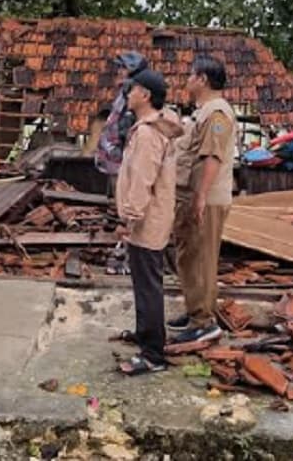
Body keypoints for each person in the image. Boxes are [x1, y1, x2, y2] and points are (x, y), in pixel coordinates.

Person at [113, 69, 183, 375]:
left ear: (145, 96)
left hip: (146, 220)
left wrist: (130, 216)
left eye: (132, 90)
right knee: (143, 282)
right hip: (150, 217)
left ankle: (153, 354)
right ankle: (145, 334)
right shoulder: (151, 129)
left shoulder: (147, 133)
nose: (128, 95)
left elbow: (143, 179)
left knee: (148, 286)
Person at [168, 56, 238, 344]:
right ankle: (194, 307)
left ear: (203, 80)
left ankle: (203, 321)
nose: (187, 80)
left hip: (205, 199)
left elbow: (212, 156)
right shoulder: (203, 111)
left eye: (191, 75)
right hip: (191, 195)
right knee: (188, 256)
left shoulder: (217, 113)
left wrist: (200, 196)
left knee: (201, 258)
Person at [95, 52, 149, 178]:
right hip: (112, 162)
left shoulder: (135, 97)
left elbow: (127, 131)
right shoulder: (123, 93)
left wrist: (119, 153)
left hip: (122, 165)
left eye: (123, 68)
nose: (119, 71)